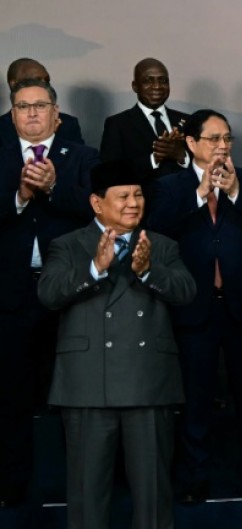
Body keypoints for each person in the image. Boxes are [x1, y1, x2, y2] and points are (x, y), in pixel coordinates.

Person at [36, 159, 196, 529]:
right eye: (122, 196)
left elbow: (187, 292)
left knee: (153, 500)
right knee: (87, 499)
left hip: (148, 384)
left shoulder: (162, 245)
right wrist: (95, 268)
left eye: (138, 195)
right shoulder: (68, 244)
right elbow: (49, 294)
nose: (133, 203)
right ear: (96, 203)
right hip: (88, 386)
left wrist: (148, 271)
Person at [147, 109, 242, 504]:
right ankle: (194, 479)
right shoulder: (171, 187)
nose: (222, 146)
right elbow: (155, 230)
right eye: (213, 139)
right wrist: (199, 195)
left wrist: (235, 193)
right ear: (191, 143)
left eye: (227, 139)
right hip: (194, 308)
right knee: (195, 400)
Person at [0, 79, 97, 508]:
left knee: (77, 401)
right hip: (12, 298)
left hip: (71, 295)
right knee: (11, 402)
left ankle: (82, 489)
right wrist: (20, 196)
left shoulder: (83, 157)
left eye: (41, 106)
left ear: (57, 113)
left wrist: (55, 189)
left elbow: (101, 214)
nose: (33, 114)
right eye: (23, 107)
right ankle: (13, 490)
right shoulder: (0, 157)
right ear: (13, 114)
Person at [99, 58, 190, 191]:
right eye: (148, 81)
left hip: (186, 205)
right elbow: (109, 172)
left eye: (163, 80)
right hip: (143, 206)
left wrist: (182, 156)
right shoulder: (118, 124)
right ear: (135, 86)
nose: (157, 86)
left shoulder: (188, 121)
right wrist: (154, 158)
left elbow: (205, 165)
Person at [0, 58, 83, 147]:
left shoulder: (67, 124)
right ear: (14, 84)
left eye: (46, 81)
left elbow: (80, 158)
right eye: (37, 80)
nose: (44, 85)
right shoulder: (2, 128)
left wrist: (51, 137)